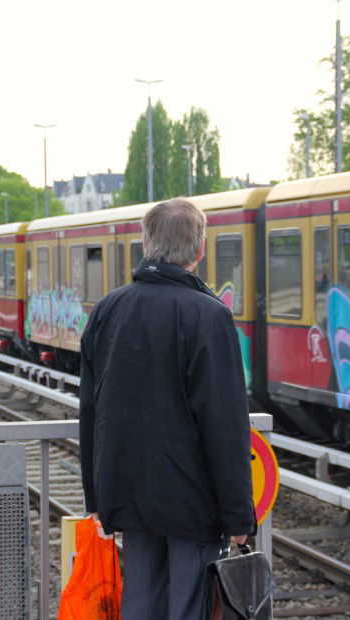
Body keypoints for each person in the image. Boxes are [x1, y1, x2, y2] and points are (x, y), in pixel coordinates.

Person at [79, 197, 255, 619]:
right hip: (192, 502)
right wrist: (237, 515)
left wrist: (96, 495)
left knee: (139, 601)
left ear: (146, 245)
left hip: (127, 492)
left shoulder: (108, 310)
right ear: (200, 249)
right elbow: (224, 425)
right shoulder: (209, 316)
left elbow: (91, 409)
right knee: (191, 606)